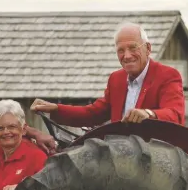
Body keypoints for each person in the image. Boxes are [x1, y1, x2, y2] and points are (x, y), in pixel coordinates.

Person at [31, 21, 185, 126]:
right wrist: (57, 109)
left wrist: (148, 114)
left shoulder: (168, 75)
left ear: (148, 49)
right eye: (121, 51)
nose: (127, 56)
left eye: (133, 48)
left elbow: (175, 114)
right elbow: (93, 113)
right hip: (118, 155)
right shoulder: (116, 79)